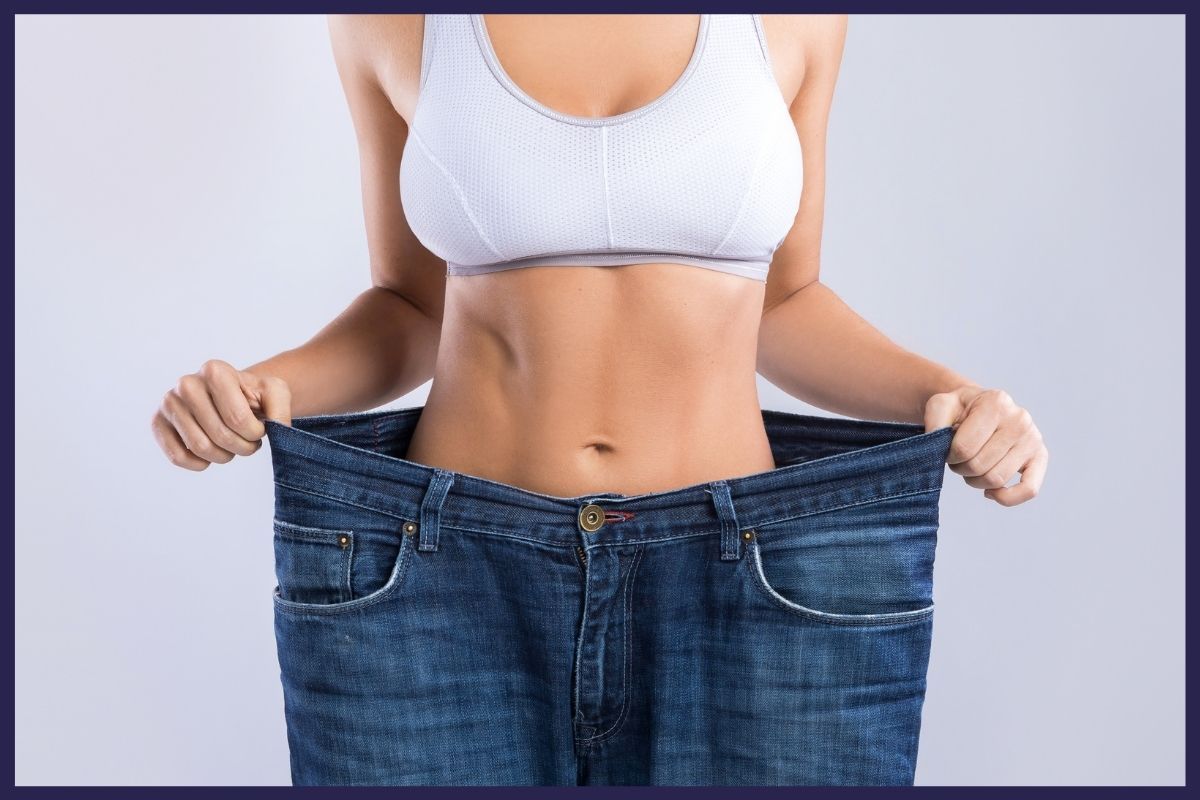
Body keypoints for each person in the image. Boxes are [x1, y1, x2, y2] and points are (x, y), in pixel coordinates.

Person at [150, 14, 1048, 787]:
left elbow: (786, 304)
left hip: (740, 577)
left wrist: (954, 398)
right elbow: (411, 308)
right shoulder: (393, 19)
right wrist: (264, 390)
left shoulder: (795, 18)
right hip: (446, 574)